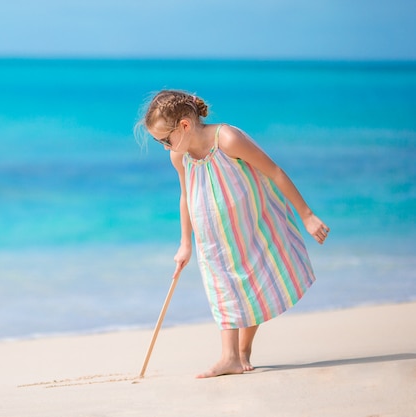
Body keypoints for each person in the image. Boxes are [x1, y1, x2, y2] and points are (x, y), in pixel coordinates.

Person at [136, 90, 329, 378]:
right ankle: (229, 356)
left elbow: (274, 171)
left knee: (253, 284)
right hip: (211, 235)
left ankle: (242, 351)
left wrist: (307, 215)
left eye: (166, 140)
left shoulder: (227, 139)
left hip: (250, 225)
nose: (165, 147)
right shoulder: (180, 156)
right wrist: (185, 242)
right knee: (222, 289)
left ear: (185, 126)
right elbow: (185, 195)